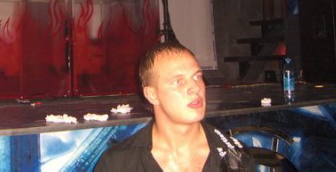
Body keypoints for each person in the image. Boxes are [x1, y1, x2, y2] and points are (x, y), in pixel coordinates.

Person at [95, 41, 256, 172]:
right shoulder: (119, 163)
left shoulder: (235, 158)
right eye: (178, 81)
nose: (195, 87)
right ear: (152, 95)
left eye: (197, 76)